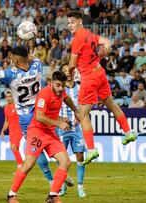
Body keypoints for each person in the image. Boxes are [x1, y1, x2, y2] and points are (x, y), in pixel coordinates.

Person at [0, 46, 54, 187]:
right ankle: (62, 172)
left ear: (16, 59)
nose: (10, 59)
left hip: (26, 117)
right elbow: (32, 58)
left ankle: (52, 180)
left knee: (36, 149)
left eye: (12, 58)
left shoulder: (10, 73)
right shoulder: (38, 65)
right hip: (41, 111)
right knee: (51, 142)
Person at [67, 10, 137, 165]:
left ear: (80, 21)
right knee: (111, 104)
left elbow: (72, 64)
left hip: (89, 78)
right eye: (68, 22)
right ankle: (128, 132)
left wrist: (70, 75)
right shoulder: (89, 34)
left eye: (72, 22)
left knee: (83, 115)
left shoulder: (77, 39)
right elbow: (106, 41)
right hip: (100, 73)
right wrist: (107, 47)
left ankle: (91, 149)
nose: (69, 25)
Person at [7, 71, 79, 203]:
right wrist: (59, 123)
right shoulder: (44, 94)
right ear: (51, 83)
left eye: (63, 86)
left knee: (66, 161)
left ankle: (53, 195)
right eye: (58, 85)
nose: (61, 89)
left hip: (50, 133)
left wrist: (76, 111)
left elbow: (67, 98)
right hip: (37, 131)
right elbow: (39, 116)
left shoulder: (61, 92)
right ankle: (11, 195)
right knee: (29, 164)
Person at [57, 64, 86, 198]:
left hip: (77, 128)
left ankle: (80, 187)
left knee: (80, 156)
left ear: (74, 73)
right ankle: (62, 186)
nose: (67, 73)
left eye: (69, 70)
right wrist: (60, 119)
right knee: (61, 158)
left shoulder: (80, 87)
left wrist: (81, 116)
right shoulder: (58, 89)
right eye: (64, 71)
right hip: (62, 128)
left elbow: (85, 105)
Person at [0, 91, 23, 168]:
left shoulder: (17, 106)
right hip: (11, 131)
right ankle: (21, 166)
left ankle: (20, 166)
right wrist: (2, 131)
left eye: (10, 96)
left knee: (13, 147)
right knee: (14, 148)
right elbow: (6, 121)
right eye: (7, 96)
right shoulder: (6, 108)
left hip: (19, 129)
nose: (8, 98)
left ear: (13, 97)